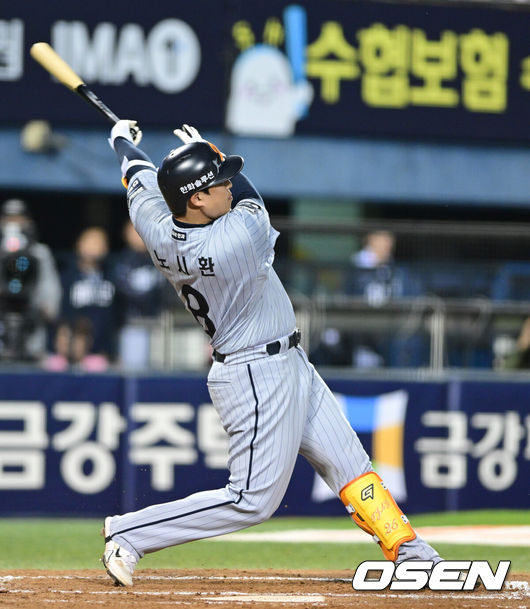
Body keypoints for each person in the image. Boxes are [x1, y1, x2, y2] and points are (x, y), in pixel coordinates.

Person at [101, 120, 442, 586]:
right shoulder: (235, 239)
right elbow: (250, 197)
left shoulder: (155, 223)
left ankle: (411, 552)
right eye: (218, 183)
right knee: (251, 500)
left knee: (350, 465)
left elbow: (137, 174)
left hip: (287, 360)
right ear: (196, 199)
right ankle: (131, 532)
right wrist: (205, 147)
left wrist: (121, 139)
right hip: (255, 371)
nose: (228, 186)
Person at [48, 226, 118, 372]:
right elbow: (59, 314)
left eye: (98, 243)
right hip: (67, 353)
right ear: (78, 244)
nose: (93, 247)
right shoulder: (67, 277)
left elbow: (116, 316)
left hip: (100, 353)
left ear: (106, 248)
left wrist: (112, 351)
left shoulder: (112, 277)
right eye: (89, 242)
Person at [0, 198, 61, 362]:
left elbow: (49, 291)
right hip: (2, 318)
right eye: (9, 218)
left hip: (31, 322)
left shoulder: (38, 253)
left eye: (18, 218)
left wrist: (46, 305)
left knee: (32, 358)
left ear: (27, 222)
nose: (14, 223)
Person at [111, 219, 164, 369]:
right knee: (134, 370)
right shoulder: (122, 261)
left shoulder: (162, 257)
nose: (140, 234)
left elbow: (168, 292)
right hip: (132, 325)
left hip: (159, 325)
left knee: (162, 371)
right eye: (136, 230)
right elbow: (123, 292)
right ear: (126, 234)